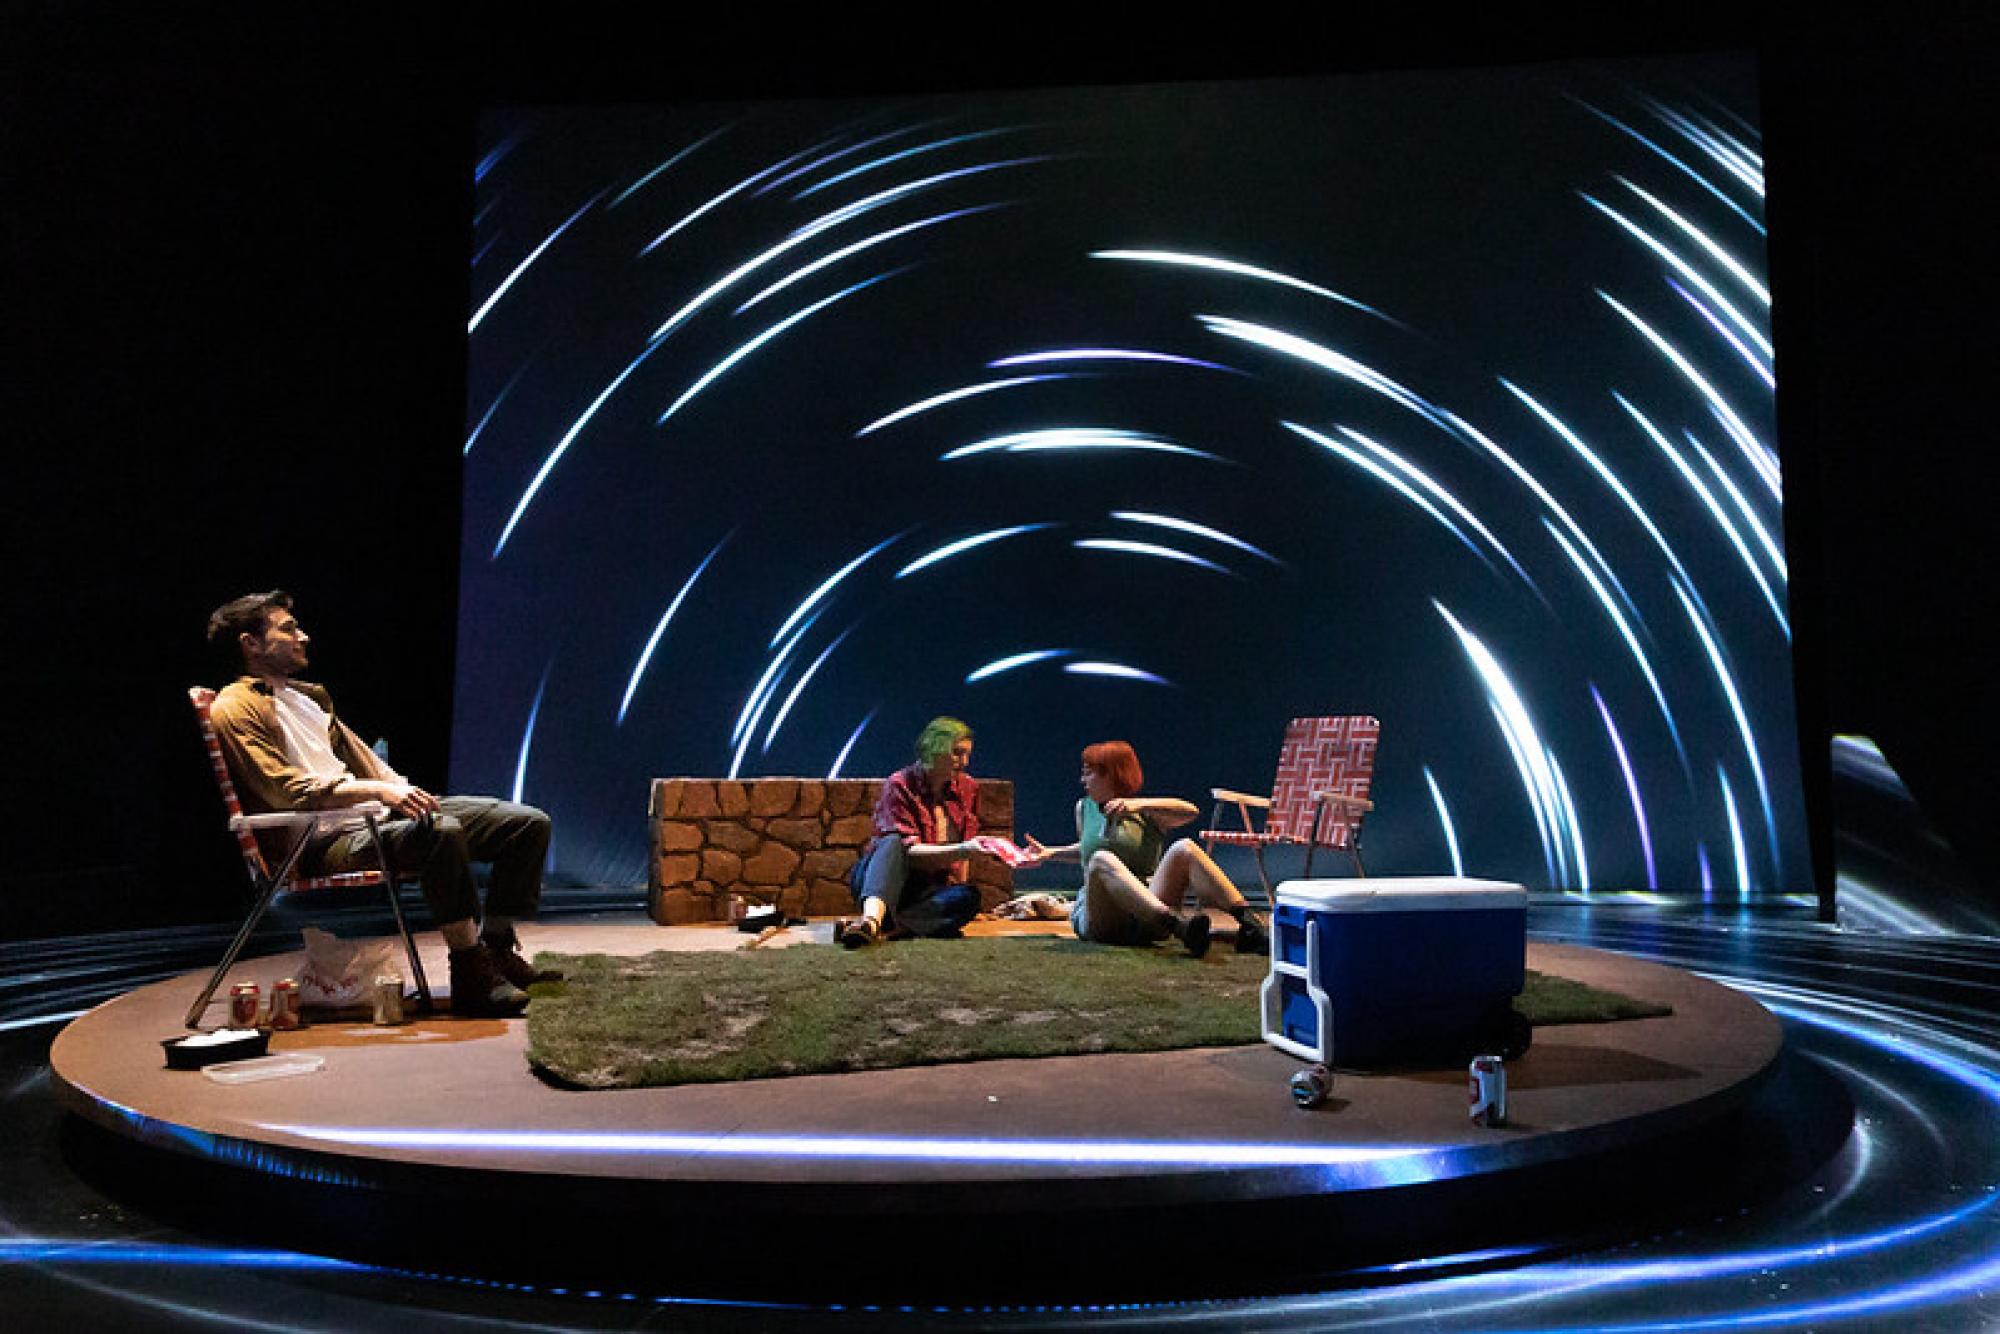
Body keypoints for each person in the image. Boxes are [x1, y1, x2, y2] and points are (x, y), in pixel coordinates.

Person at [203, 590, 558, 1017]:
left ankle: (497, 950)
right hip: (321, 843)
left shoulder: (308, 696)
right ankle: (470, 973)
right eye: (288, 628)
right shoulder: (235, 706)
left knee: (526, 824)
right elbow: (286, 790)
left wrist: (403, 794)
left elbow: (363, 761)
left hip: (374, 819)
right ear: (251, 644)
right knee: (439, 835)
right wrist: (381, 794)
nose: (304, 636)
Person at [1028, 740, 1269, 957]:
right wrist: (1050, 853)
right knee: (1101, 858)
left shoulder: (1149, 812)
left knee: (1185, 848)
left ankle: (1250, 926)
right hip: (1102, 917)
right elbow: (1087, 852)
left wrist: (1139, 805)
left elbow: (1190, 811)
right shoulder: (1084, 808)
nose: (1083, 781)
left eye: (1088, 773)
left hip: (1145, 913)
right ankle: (1178, 926)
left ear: (1111, 774)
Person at [840, 716, 1006, 947]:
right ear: (935, 749)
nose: (964, 762)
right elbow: (908, 851)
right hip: (886, 879)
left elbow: (964, 847)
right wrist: (962, 850)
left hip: (927, 887)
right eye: (957, 753)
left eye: (967, 754)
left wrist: (959, 883)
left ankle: (885, 927)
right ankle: (871, 920)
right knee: (893, 841)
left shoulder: (968, 788)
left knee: (969, 897)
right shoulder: (901, 784)